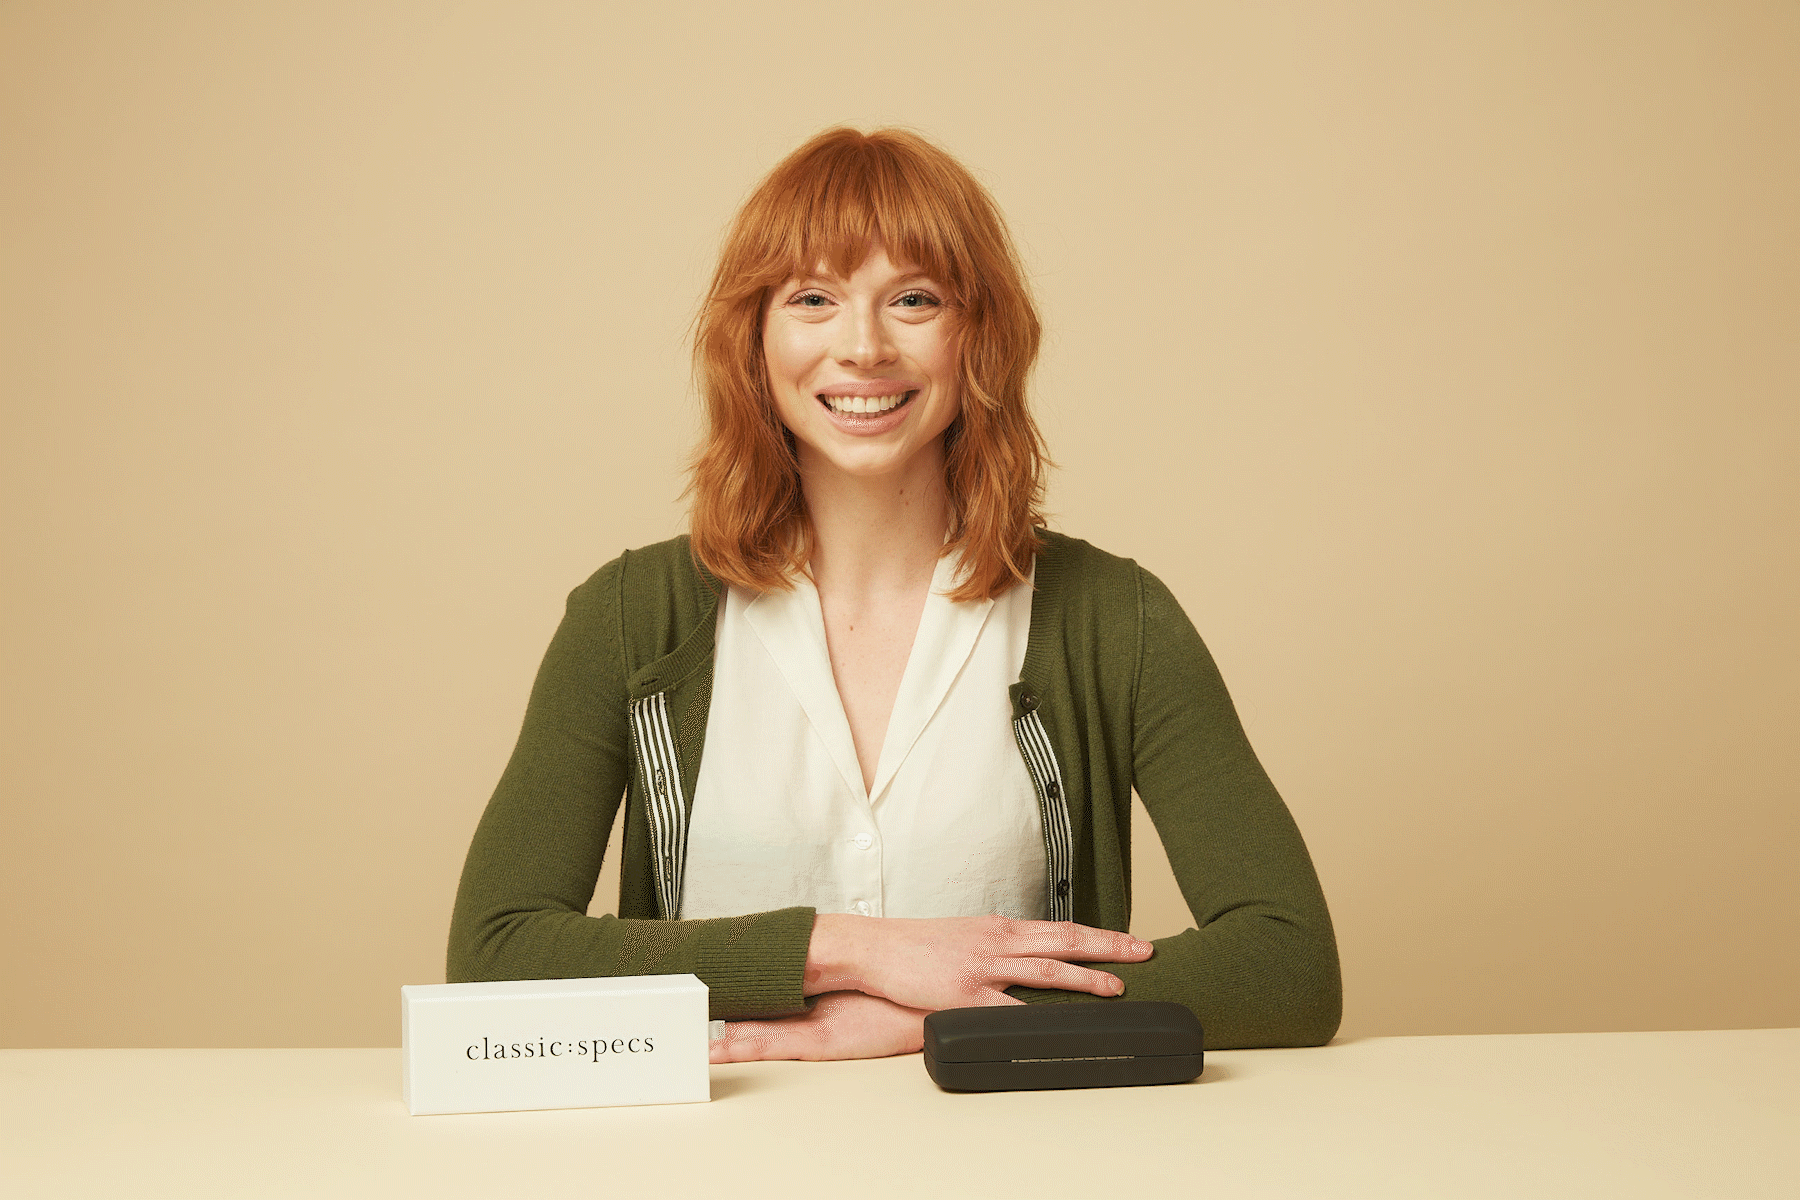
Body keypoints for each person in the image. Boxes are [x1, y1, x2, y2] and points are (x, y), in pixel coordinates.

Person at [447, 127, 1341, 1062]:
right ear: (754, 338)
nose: (863, 346)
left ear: (979, 334)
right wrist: (855, 951)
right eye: (813, 300)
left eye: (914, 299)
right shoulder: (628, 618)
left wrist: (917, 1023)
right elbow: (494, 956)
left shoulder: (1116, 618)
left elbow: (1289, 970)